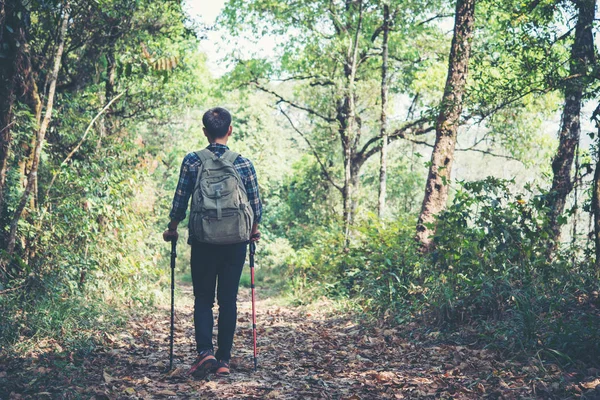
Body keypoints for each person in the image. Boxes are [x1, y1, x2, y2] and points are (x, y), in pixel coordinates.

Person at [163, 107, 261, 378]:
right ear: (230, 130)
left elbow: (180, 202)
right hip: (235, 241)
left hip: (204, 240)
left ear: (205, 132)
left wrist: (172, 229)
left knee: (203, 299)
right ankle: (224, 360)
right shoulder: (243, 162)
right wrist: (253, 230)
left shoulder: (193, 161)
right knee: (228, 300)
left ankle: (204, 352)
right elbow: (256, 204)